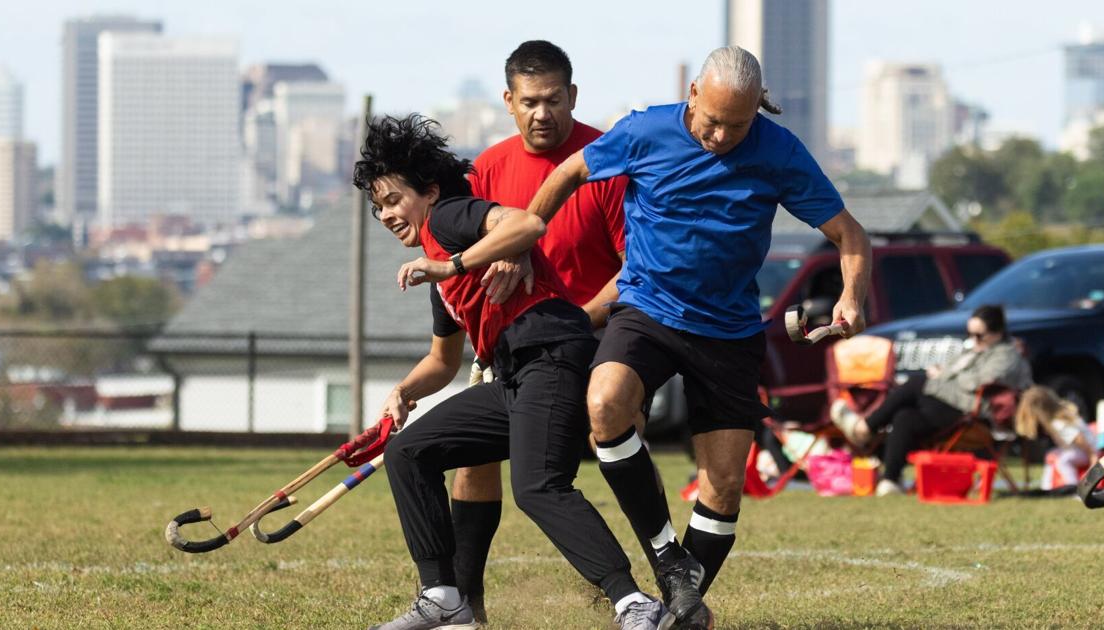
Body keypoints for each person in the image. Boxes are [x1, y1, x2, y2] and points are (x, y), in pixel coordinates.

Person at [526, 45, 873, 629]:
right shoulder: (644, 131)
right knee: (605, 404)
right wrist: (523, 243)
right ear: (692, 96)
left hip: (729, 332)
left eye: (737, 125)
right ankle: (668, 559)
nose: (719, 135)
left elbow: (851, 235)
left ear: (756, 113)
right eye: (711, 120)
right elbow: (569, 172)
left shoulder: (779, 151)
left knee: (725, 483)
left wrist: (851, 297)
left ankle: (679, 609)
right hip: (647, 309)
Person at [354, 114, 664, 630]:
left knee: (538, 486)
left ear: (428, 191)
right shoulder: (436, 268)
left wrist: (452, 265)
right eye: (377, 207)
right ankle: (443, 596)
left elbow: (527, 223)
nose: (385, 215)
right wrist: (404, 391)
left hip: (554, 354)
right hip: (514, 377)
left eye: (392, 200)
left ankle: (634, 603)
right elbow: (442, 361)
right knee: (408, 451)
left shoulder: (448, 218)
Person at [447, 40, 639, 623]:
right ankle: (465, 607)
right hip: (516, 350)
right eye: (529, 101)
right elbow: (465, 261)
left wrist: (574, 325)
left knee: (619, 441)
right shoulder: (484, 170)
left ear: (572, 96)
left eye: (553, 99)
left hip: (598, 339)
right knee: (471, 459)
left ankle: (661, 582)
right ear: (508, 101)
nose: (541, 113)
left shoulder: (604, 164)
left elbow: (635, 271)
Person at [832, 305, 1033, 496]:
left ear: (997, 333)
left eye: (979, 335)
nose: (973, 340)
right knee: (905, 417)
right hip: (953, 407)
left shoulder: (1007, 356)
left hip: (976, 415)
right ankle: (890, 480)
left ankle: (864, 428)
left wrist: (941, 376)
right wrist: (943, 375)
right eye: (970, 334)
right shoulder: (973, 351)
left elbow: (977, 383)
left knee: (915, 384)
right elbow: (954, 375)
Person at [1014, 385, 1096, 489]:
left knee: (1063, 461)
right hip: (1078, 450)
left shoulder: (1059, 424)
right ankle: (1047, 488)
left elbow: (1081, 440)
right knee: (1051, 455)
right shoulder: (1056, 419)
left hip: (1087, 451)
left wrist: (1093, 458)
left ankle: (1072, 487)